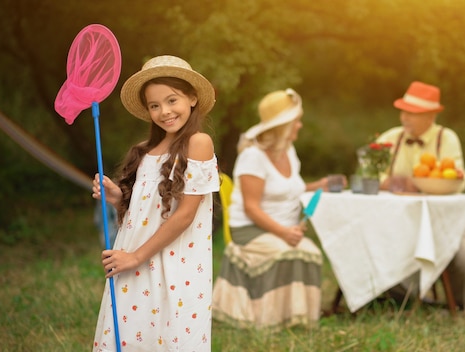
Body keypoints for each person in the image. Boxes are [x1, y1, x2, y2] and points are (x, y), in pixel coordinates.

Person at [91, 55, 220, 351]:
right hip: (132, 258)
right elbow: (145, 211)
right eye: (154, 105)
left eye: (172, 100)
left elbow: (184, 215)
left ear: (192, 98)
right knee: (133, 333)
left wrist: (137, 257)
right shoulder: (143, 150)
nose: (165, 111)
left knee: (170, 333)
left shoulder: (198, 143)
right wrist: (118, 198)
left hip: (175, 264)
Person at [212, 88, 330, 329]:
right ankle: (268, 320)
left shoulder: (289, 151)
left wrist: (319, 186)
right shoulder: (253, 157)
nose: (300, 125)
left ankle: (298, 317)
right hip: (250, 229)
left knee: (313, 253)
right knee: (293, 252)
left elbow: (288, 189)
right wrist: (284, 233)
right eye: (296, 120)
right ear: (283, 125)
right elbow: (252, 207)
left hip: (281, 228)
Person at [376, 81, 465, 312]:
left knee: (464, 261)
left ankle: (460, 305)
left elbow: (458, 180)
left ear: (431, 116)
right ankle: (409, 302)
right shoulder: (390, 138)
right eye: (404, 111)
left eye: (413, 113)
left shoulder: (447, 138)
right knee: (374, 248)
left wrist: (418, 183)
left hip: (440, 219)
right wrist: (388, 181)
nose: (405, 118)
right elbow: (369, 173)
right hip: (395, 220)